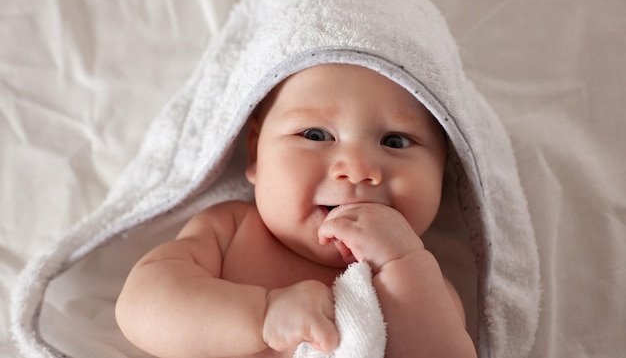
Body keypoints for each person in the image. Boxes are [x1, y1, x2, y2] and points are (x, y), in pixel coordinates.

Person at [115, 63, 477, 358]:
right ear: (256, 153)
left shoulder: (422, 282)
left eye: (395, 141)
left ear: (443, 176)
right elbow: (142, 305)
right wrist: (262, 316)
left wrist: (403, 262)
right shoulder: (230, 230)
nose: (356, 168)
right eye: (316, 135)